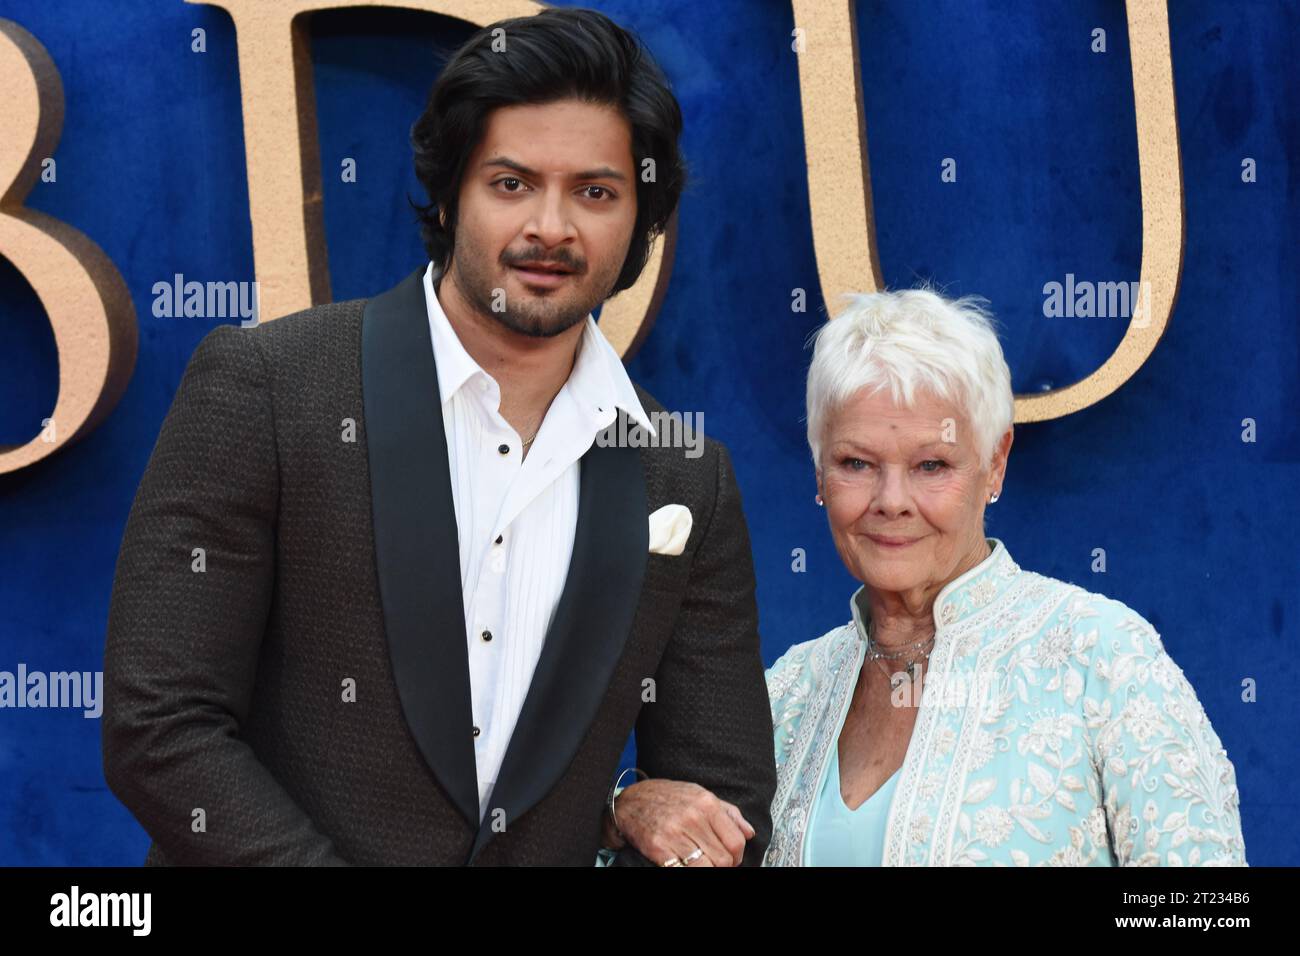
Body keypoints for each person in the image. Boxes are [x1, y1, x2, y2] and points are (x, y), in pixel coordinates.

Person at [102, 6, 775, 866]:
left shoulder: (683, 478)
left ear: (645, 216)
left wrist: (624, 813)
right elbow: (160, 724)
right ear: (451, 192)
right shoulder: (271, 386)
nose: (551, 228)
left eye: (595, 192)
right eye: (511, 183)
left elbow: (722, 804)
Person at [606, 287, 1247, 866]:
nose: (892, 500)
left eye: (932, 465)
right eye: (857, 462)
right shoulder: (787, 693)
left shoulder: (1103, 658)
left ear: (994, 465)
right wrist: (620, 814)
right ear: (819, 475)